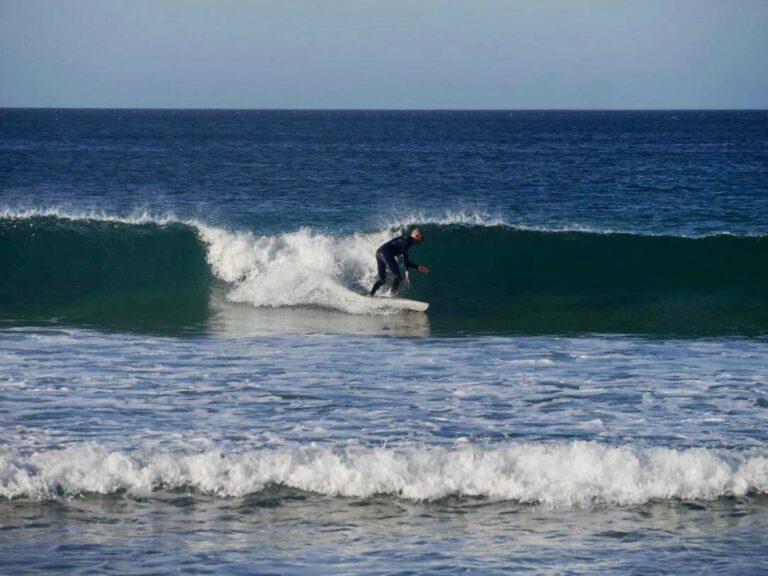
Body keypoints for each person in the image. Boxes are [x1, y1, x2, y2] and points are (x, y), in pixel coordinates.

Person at [369, 228, 430, 296]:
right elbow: (404, 254)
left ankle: (371, 295)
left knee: (382, 280)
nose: (422, 240)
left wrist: (417, 267)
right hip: (386, 254)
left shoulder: (405, 240)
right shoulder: (408, 241)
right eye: (422, 238)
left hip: (379, 253)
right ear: (417, 236)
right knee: (398, 277)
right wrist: (407, 270)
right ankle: (391, 296)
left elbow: (405, 260)